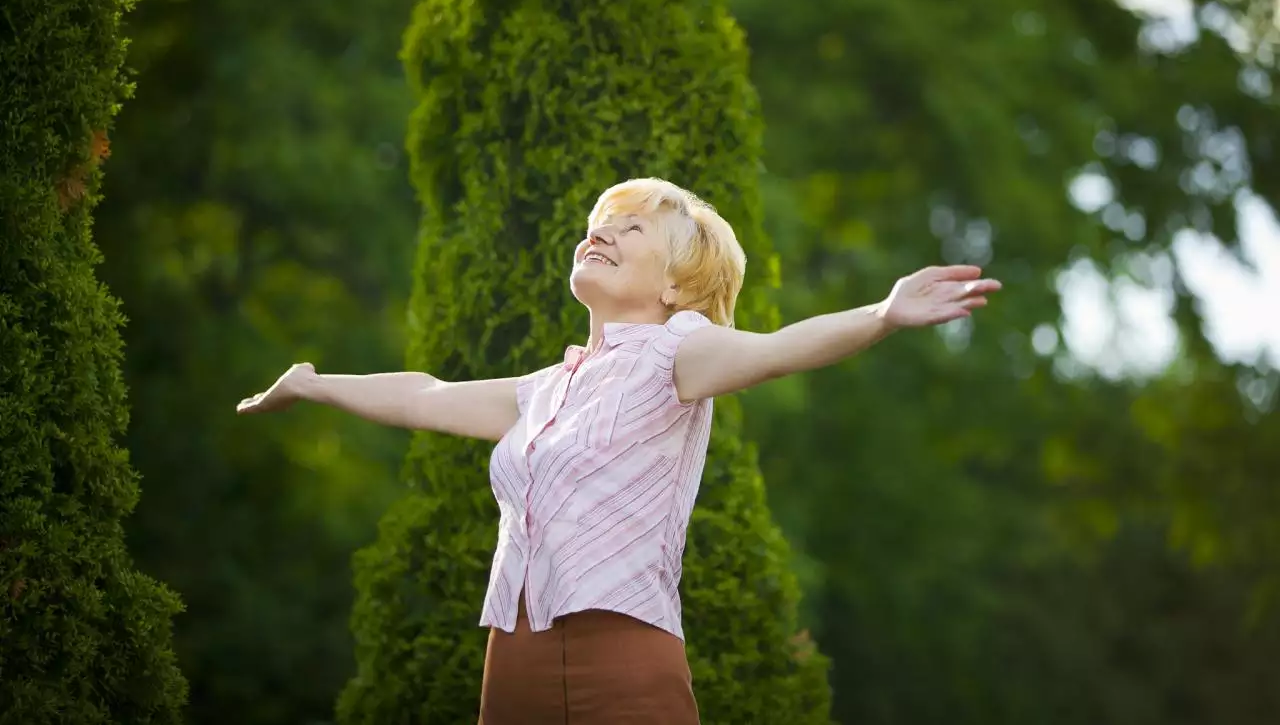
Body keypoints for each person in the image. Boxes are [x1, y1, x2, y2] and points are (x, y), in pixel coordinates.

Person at [236, 177, 1002, 723]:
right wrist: (314, 382)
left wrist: (883, 312)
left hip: (622, 656)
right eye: (599, 223)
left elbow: (778, 349)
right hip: (512, 661)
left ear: (675, 285)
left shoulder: (682, 353)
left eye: (630, 228)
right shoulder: (549, 387)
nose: (598, 232)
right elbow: (425, 395)